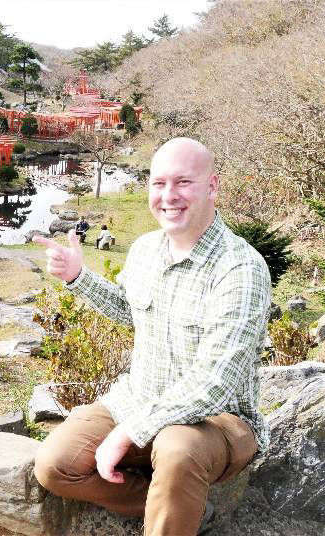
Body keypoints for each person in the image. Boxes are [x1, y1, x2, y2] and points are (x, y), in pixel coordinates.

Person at [32, 138, 271, 536]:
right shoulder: (144, 249)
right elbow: (132, 312)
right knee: (55, 464)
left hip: (218, 419)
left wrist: (129, 432)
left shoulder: (240, 268)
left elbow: (217, 380)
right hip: (138, 397)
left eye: (183, 183)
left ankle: (174, 508)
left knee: (177, 449)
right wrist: (78, 276)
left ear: (212, 187)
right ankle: (179, 506)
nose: (168, 196)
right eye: (158, 183)